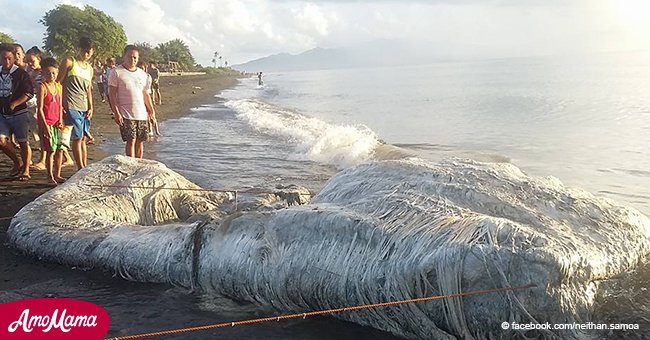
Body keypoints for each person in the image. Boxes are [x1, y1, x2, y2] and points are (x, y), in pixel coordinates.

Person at [108, 45, 156, 158]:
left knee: (140, 141)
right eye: (130, 57)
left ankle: (138, 164)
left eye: (135, 57)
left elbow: (146, 94)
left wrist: (151, 111)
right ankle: (131, 164)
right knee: (131, 140)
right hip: (126, 113)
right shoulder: (116, 72)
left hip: (141, 114)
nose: (132, 60)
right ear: (124, 56)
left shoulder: (143, 75)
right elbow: (112, 94)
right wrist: (116, 113)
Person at [57, 37, 94, 170]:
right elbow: (58, 83)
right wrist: (60, 104)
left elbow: (88, 89)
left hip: (84, 107)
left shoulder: (89, 69)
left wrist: (91, 106)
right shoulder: (69, 62)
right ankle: (80, 168)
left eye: (89, 52)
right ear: (78, 49)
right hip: (71, 104)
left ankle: (84, 167)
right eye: (84, 51)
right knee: (77, 138)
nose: (86, 55)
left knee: (83, 138)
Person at [0, 43, 33, 180]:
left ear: (13, 58)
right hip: (2, 113)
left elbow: (29, 93)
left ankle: (26, 169)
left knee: (23, 142)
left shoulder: (21, 74)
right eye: (3, 58)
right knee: (1, 141)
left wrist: (15, 103)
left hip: (19, 113)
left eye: (9, 58)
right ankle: (17, 162)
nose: (6, 62)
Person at [37, 57, 65, 185]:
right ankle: (49, 176)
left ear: (57, 72)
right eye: (48, 73)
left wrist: (60, 120)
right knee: (50, 150)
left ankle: (57, 174)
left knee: (60, 149)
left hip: (57, 123)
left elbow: (60, 106)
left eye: (54, 73)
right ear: (43, 73)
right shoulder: (42, 87)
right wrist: (45, 126)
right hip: (47, 123)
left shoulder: (59, 87)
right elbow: (40, 108)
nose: (51, 76)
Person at [25, 47, 46, 170]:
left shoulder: (43, 73)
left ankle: (43, 160)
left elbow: (40, 89)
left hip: (40, 105)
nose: (29, 64)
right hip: (29, 105)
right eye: (28, 61)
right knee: (31, 133)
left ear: (39, 59)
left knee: (42, 133)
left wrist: (31, 78)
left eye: (32, 61)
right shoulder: (29, 71)